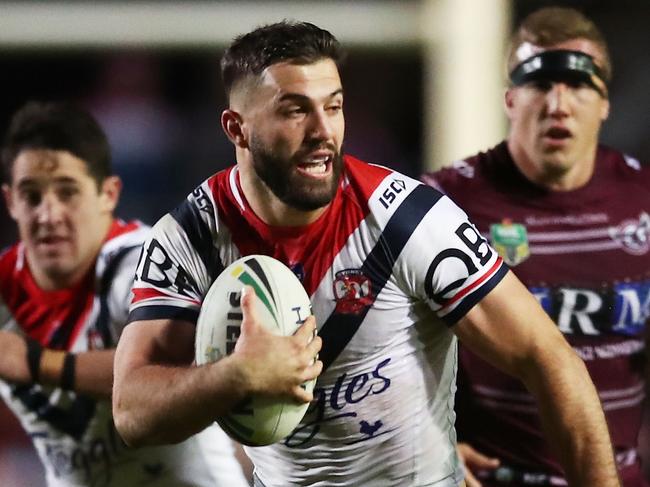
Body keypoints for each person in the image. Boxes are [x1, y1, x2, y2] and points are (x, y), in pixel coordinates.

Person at [112, 21, 621, 487]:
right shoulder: (191, 237)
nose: (322, 132)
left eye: (332, 106)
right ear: (237, 129)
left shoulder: (407, 220)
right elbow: (132, 414)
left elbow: (549, 358)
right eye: (295, 110)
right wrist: (236, 375)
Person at [422, 7, 650, 487]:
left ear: (605, 102)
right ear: (510, 99)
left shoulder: (642, 200)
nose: (558, 104)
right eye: (540, 84)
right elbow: (381, 337)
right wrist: (424, 443)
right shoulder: (444, 203)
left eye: (579, 85)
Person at [0, 101, 250, 487]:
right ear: (10, 202)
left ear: (108, 195)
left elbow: (185, 365)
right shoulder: (4, 289)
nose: (48, 215)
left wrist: (37, 365)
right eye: (31, 195)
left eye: (67, 193)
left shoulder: (145, 264)